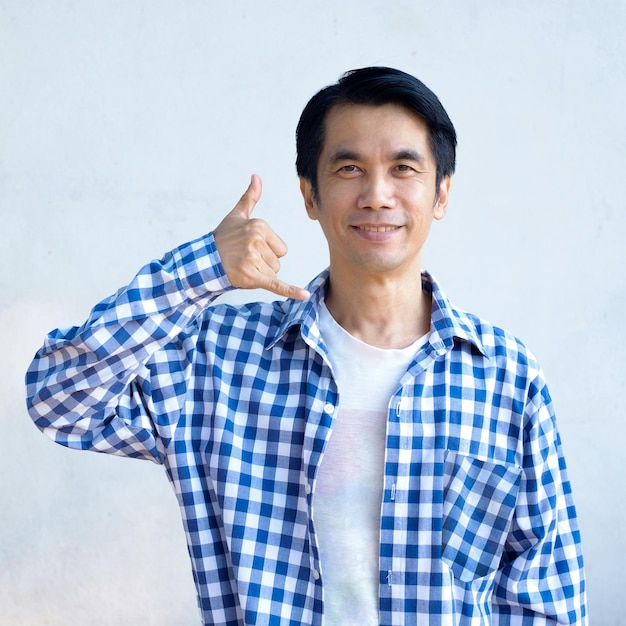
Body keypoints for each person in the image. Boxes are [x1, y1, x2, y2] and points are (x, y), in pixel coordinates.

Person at [26, 67, 587, 625]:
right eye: (349, 168)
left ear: (441, 193)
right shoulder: (217, 360)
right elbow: (60, 400)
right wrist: (199, 271)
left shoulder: (505, 376)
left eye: (403, 168)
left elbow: (548, 598)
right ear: (309, 195)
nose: (376, 195)